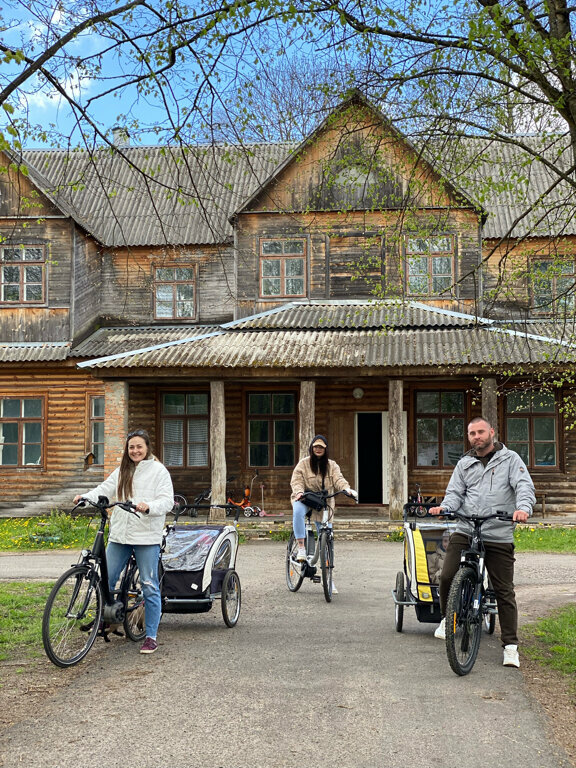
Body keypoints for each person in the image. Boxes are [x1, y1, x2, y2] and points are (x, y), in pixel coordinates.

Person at [429, 416, 535, 668]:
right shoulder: (464, 463)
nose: (476, 437)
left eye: (480, 432)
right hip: (466, 528)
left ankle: (510, 647)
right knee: (446, 576)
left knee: (504, 591)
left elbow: (524, 486)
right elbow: (455, 493)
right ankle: (449, 619)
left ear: (491, 432)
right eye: (471, 433)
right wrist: (446, 506)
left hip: (497, 531)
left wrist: (522, 508)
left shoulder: (510, 460)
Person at [73, 428, 174, 655]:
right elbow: (104, 490)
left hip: (146, 536)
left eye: (139, 446)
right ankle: (106, 618)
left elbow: (167, 501)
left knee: (149, 585)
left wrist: (150, 506)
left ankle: (150, 636)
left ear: (147, 448)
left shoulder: (159, 471)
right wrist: (85, 498)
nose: (135, 450)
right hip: (120, 535)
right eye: (131, 447)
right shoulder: (122, 471)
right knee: (105, 579)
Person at [290, 434, 357, 592]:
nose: (318, 449)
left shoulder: (332, 465)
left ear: (325, 449)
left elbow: (338, 480)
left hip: (325, 502)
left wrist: (347, 489)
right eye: (315, 447)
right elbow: (296, 480)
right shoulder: (304, 464)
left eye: (321, 447)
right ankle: (301, 548)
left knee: (327, 537)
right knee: (297, 511)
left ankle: (327, 578)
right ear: (312, 449)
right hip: (306, 499)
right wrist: (299, 492)